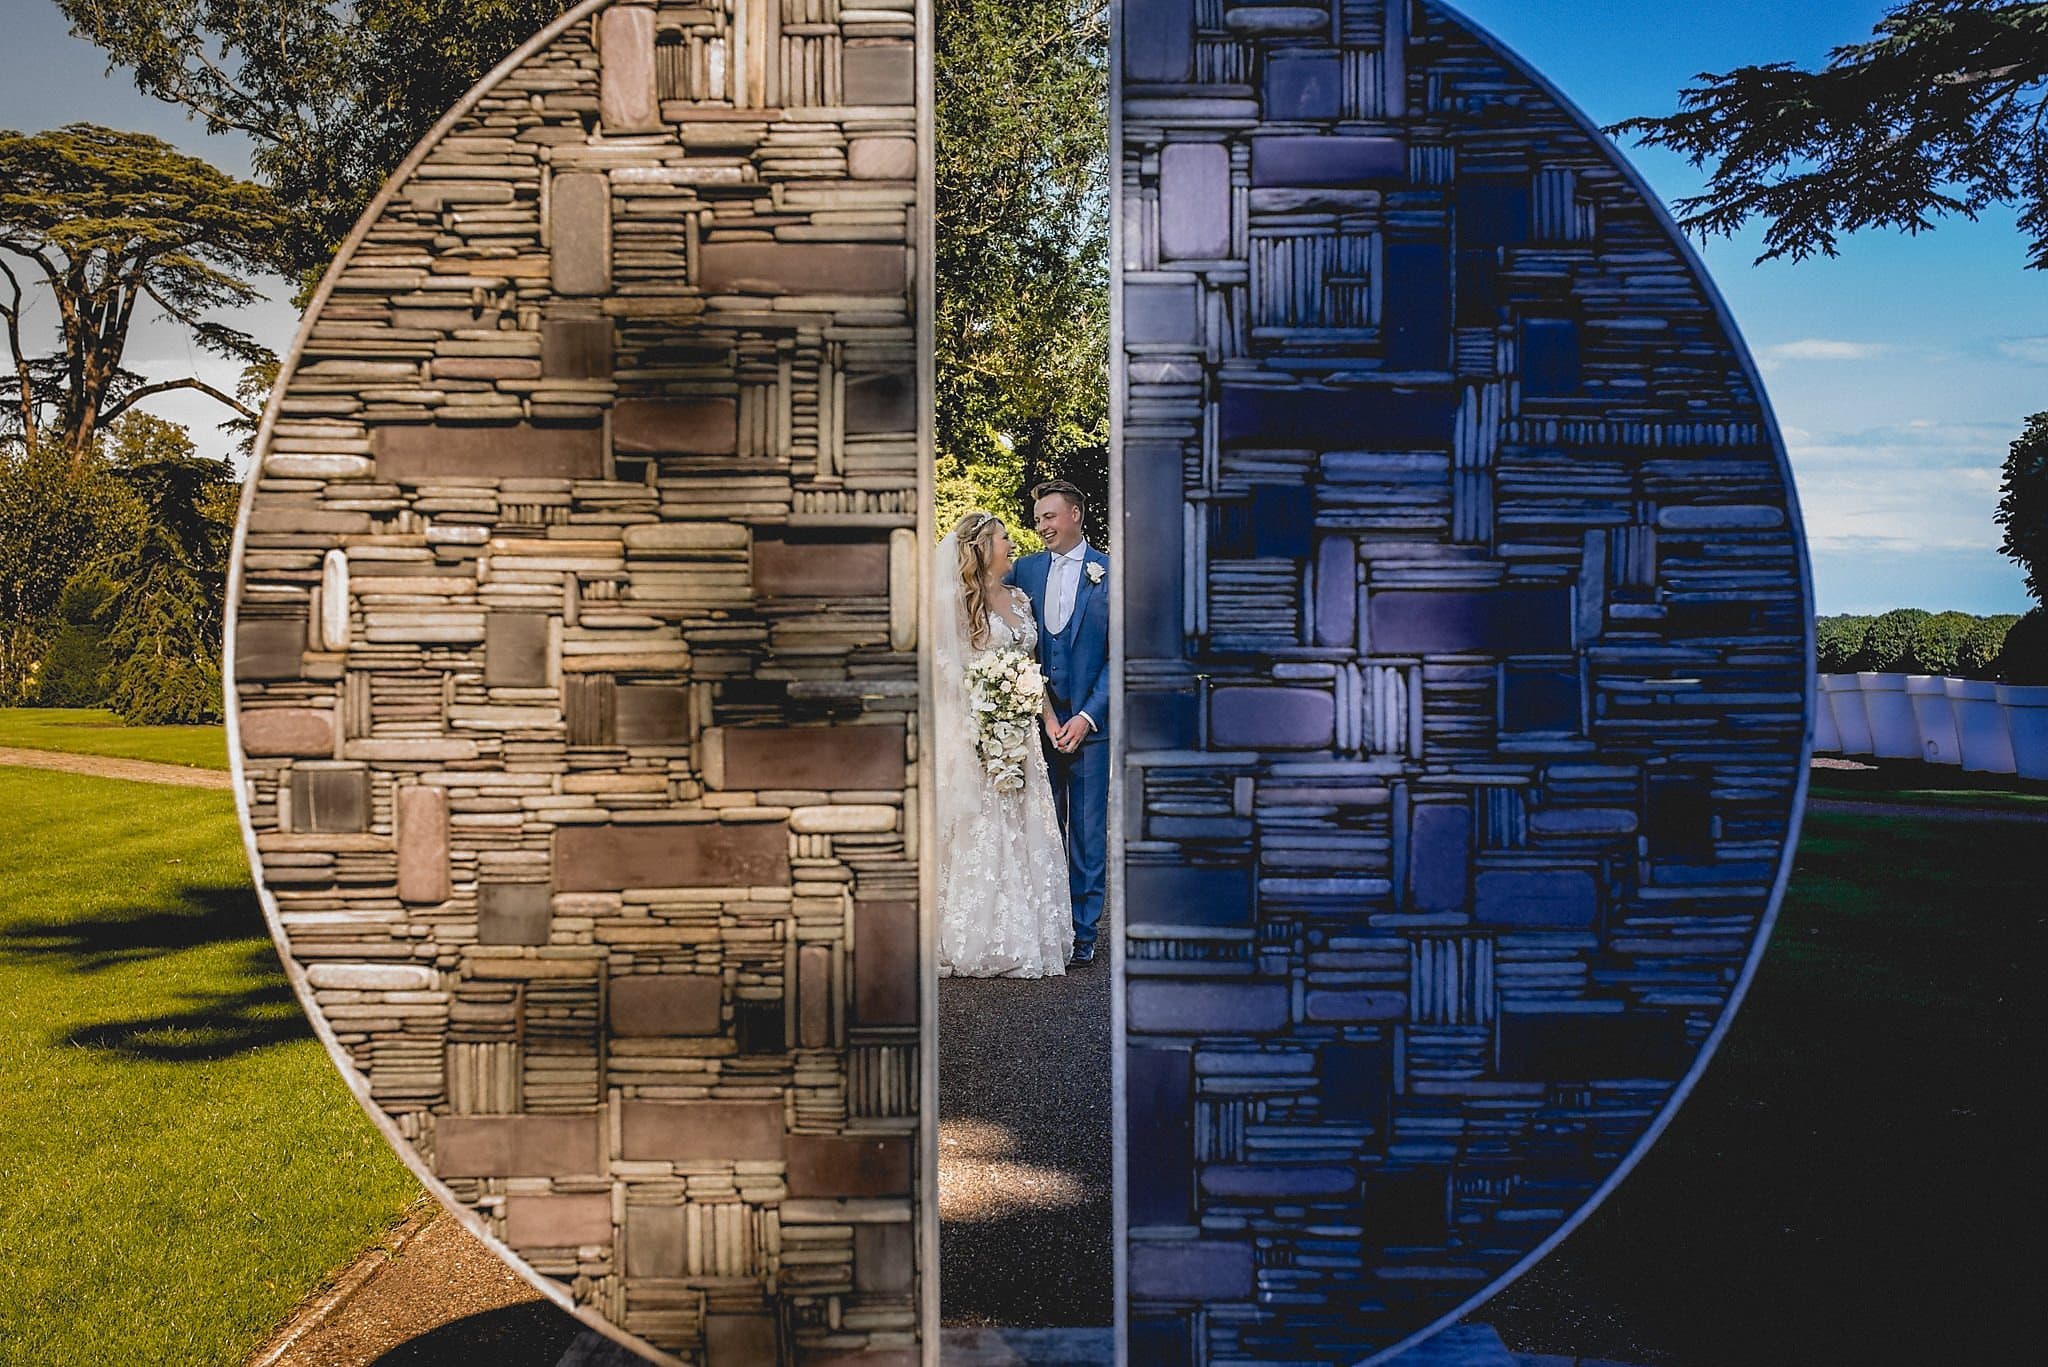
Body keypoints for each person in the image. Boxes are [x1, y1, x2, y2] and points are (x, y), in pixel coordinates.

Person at [931, 510, 1075, 977]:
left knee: (1022, 826)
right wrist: (984, 712)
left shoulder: (1019, 598)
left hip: (1024, 735)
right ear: (980, 547)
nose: (1011, 543)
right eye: (1003, 537)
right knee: (982, 829)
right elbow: (944, 671)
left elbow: (1031, 670)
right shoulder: (957, 603)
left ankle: (1023, 932)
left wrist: (1048, 721)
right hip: (977, 733)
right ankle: (970, 931)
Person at [1006, 480, 1109, 965]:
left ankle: (1084, 933)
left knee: (1088, 833)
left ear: (1075, 514)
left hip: (1091, 725)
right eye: (1037, 518)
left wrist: (1088, 716)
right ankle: (1049, 924)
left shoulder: (1110, 571)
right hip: (1036, 724)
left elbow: (1122, 653)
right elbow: (1008, 635)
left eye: (1049, 516)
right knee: (1043, 829)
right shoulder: (1023, 570)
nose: (1040, 526)